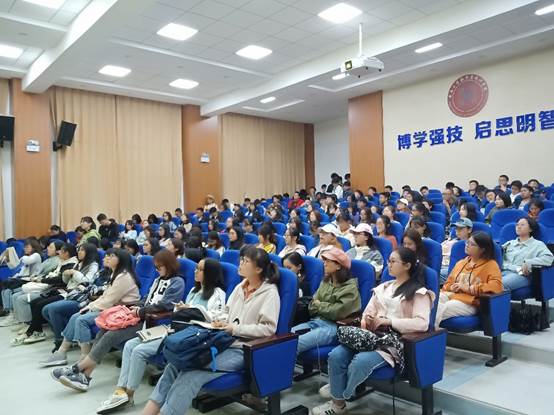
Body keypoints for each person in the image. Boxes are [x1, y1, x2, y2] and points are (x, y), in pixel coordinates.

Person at [142, 246, 280, 415]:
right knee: (174, 365)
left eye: (245, 261)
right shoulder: (240, 287)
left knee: (191, 375)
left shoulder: (269, 293)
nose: (240, 263)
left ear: (258, 269)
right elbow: (227, 312)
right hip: (223, 340)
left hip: (244, 349)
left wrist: (235, 328)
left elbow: (268, 328)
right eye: (241, 260)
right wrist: (219, 321)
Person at [312, 247, 434, 415]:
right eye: (388, 261)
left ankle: (340, 394)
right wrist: (366, 320)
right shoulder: (383, 288)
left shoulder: (419, 292)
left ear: (407, 265)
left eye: (393, 261)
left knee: (360, 362)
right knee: (336, 355)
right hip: (371, 336)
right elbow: (367, 313)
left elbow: (422, 324)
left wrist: (389, 321)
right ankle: (337, 403)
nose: (388, 265)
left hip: (395, 342)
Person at [96, 258, 225, 413]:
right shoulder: (193, 290)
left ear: (210, 273)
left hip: (190, 337)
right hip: (174, 329)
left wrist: (189, 309)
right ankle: (120, 390)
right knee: (130, 345)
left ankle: (129, 396)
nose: (195, 271)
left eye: (200, 269)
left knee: (139, 351)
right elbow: (181, 314)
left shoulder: (218, 294)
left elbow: (215, 319)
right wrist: (181, 308)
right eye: (196, 267)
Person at [52, 250, 184, 393]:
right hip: (140, 316)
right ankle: (85, 376)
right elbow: (147, 298)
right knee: (103, 331)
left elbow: (166, 305)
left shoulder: (177, 282)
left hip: (154, 322)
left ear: (169, 265)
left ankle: (77, 368)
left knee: (111, 335)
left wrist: (140, 311)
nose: (156, 270)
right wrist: (138, 306)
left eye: (159, 267)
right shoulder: (158, 280)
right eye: (155, 267)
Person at [44, 249, 140, 371]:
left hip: (122, 310)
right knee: (75, 316)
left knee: (82, 320)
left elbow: (109, 300)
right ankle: (61, 352)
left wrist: (91, 308)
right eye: (106, 256)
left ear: (120, 260)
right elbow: (105, 297)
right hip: (113, 308)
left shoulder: (124, 277)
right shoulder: (115, 274)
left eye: (110, 256)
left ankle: (85, 356)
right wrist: (90, 306)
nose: (106, 258)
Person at [11, 243, 99, 345]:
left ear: (89, 252)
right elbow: (66, 281)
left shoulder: (93, 265)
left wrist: (74, 273)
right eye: (79, 249)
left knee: (46, 307)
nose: (79, 252)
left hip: (78, 295)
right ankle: (39, 331)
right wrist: (66, 275)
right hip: (68, 292)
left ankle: (55, 337)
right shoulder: (78, 264)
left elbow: (87, 281)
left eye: (82, 250)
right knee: (36, 303)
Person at [291, 248, 361, 355]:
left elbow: (336, 313)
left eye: (328, 261)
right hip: (316, 321)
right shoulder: (326, 281)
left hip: (333, 327)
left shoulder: (350, 288)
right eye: (324, 261)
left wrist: (319, 305)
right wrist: (323, 306)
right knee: (287, 339)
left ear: (338, 266)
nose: (324, 263)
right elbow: (312, 305)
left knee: (296, 344)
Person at [41, 255, 112, 354]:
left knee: (57, 311)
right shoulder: (100, 271)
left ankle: (61, 342)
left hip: (92, 302)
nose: (104, 259)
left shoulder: (97, 267)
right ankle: (67, 341)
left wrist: (75, 273)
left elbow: (93, 286)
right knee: (45, 309)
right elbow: (87, 284)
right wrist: (66, 274)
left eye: (109, 257)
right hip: (81, 295)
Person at [435, 232, 503, 328]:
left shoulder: (491, 265)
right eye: (467, 242)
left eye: (472, 244)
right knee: (431, 301)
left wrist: (469, 288)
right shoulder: (461, 263)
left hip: (470, 302)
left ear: (482, 249)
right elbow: (448, 283)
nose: (467, 245)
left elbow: (496, 286)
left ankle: (425, 333)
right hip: (452, 295)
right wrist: (451, 287)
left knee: (441, 309)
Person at [501, 217, 554, 292]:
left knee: (497, 284)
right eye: (517, 225)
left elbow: (549, 258)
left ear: (530, 229)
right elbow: (497, 255)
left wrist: (529, 263)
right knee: (485, 281)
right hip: (503, 271)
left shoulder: (537, 244)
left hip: (521, 275)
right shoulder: (509, 243)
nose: (518, 227)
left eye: (522, 225)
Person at [0, 239, 45, 318]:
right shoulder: (27, 257)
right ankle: (8, 312)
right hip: (23, 279)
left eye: (27, 247)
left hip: (30, 280)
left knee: (7, 290)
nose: (25, 249)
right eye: (24, 247)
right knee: (5, 290)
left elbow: (26, 261)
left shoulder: (36, 255)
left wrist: (16, 257)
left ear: (34, 247)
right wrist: (8, 259)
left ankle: (12, 314)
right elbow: (15, 267)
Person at [440, 218, 473, 283]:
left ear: (469, 230)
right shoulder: (450, 240)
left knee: (435, 273)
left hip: (452, 268)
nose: (457, 231)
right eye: (456, 228)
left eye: (461, 228)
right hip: (442, 263)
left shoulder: (471, 245)